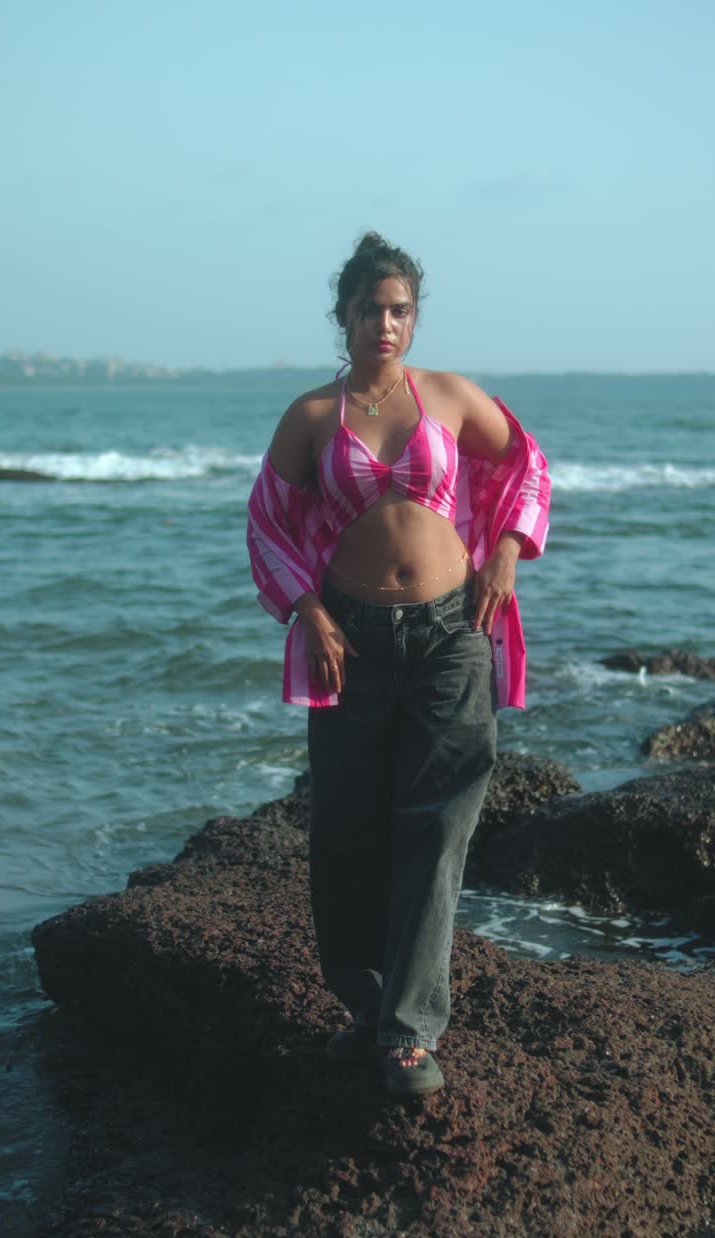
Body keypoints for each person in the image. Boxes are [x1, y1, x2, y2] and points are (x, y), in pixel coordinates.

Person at [247, 232, 550, 1098]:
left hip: (452, 632)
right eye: (369, 309)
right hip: (350, 637)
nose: (385, 323)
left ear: (414, 320)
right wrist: (307, 609)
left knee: (438, 823)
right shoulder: (312, 416)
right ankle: (367, 1005)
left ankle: (411, 1032)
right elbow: (266, 521)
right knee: (345, 827)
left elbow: (527, 463)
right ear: (342, 317)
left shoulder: (450, 397)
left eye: (400, 310)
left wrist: (505, 556)